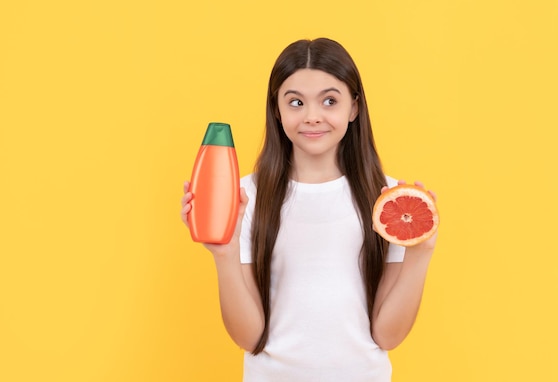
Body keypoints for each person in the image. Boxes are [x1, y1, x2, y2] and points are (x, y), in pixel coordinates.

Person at [180, 37, 438, 382]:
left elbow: (387, 336)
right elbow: (248, 337)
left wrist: (421, 252)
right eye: (296, 102)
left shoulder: (387, 200)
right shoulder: (245, 197)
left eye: (329, 101)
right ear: (277, 108)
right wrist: (224, 254)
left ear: (354, 108)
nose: (312, 116)